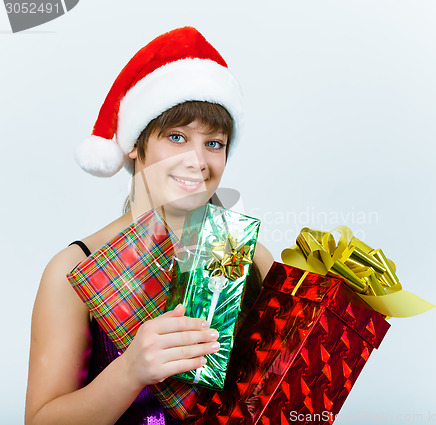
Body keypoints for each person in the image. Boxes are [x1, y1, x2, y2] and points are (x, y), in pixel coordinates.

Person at [25, 27, 274, 425]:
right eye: (177, 137)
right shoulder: (72, 271)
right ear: (135, 146)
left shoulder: (249, 252)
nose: (197, 161)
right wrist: (131, 370)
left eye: (214, 143)